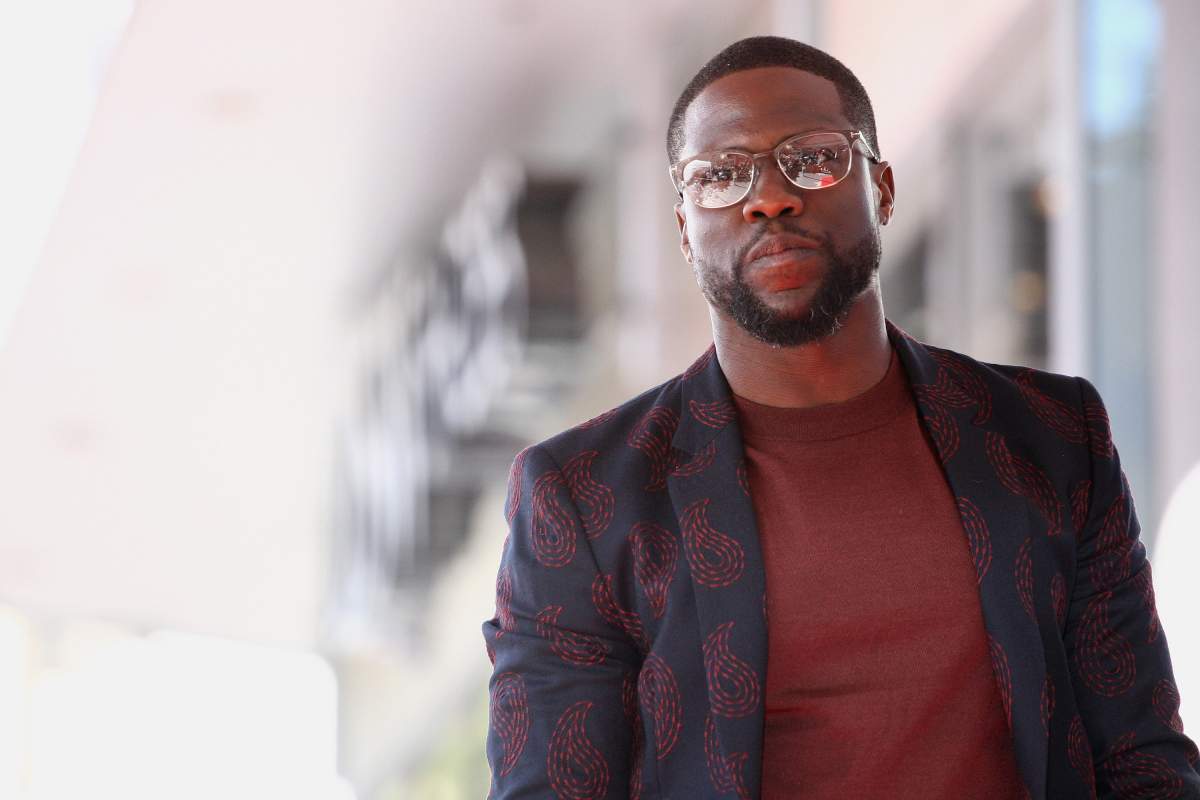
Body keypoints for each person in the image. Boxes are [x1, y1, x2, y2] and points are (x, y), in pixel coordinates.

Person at [482, 35, 1200, 799]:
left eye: (812, 156)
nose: (769, 198)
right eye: (721, 176)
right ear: (686, 230)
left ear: (883, 189)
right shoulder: (587, 496)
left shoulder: (1051, 436)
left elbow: (1142, 757)